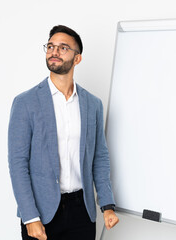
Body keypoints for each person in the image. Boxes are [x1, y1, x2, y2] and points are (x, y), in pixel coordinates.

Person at [8, 25, 119, 240]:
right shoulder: (25, 103)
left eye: (63, 47)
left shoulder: (93, 104)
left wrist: (107, 206)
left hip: (82, 211)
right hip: (42, 212)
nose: (54, 51)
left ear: (77, 59)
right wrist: (30, 218)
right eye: (50, 46)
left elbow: (100, 157)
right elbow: (18, 163)